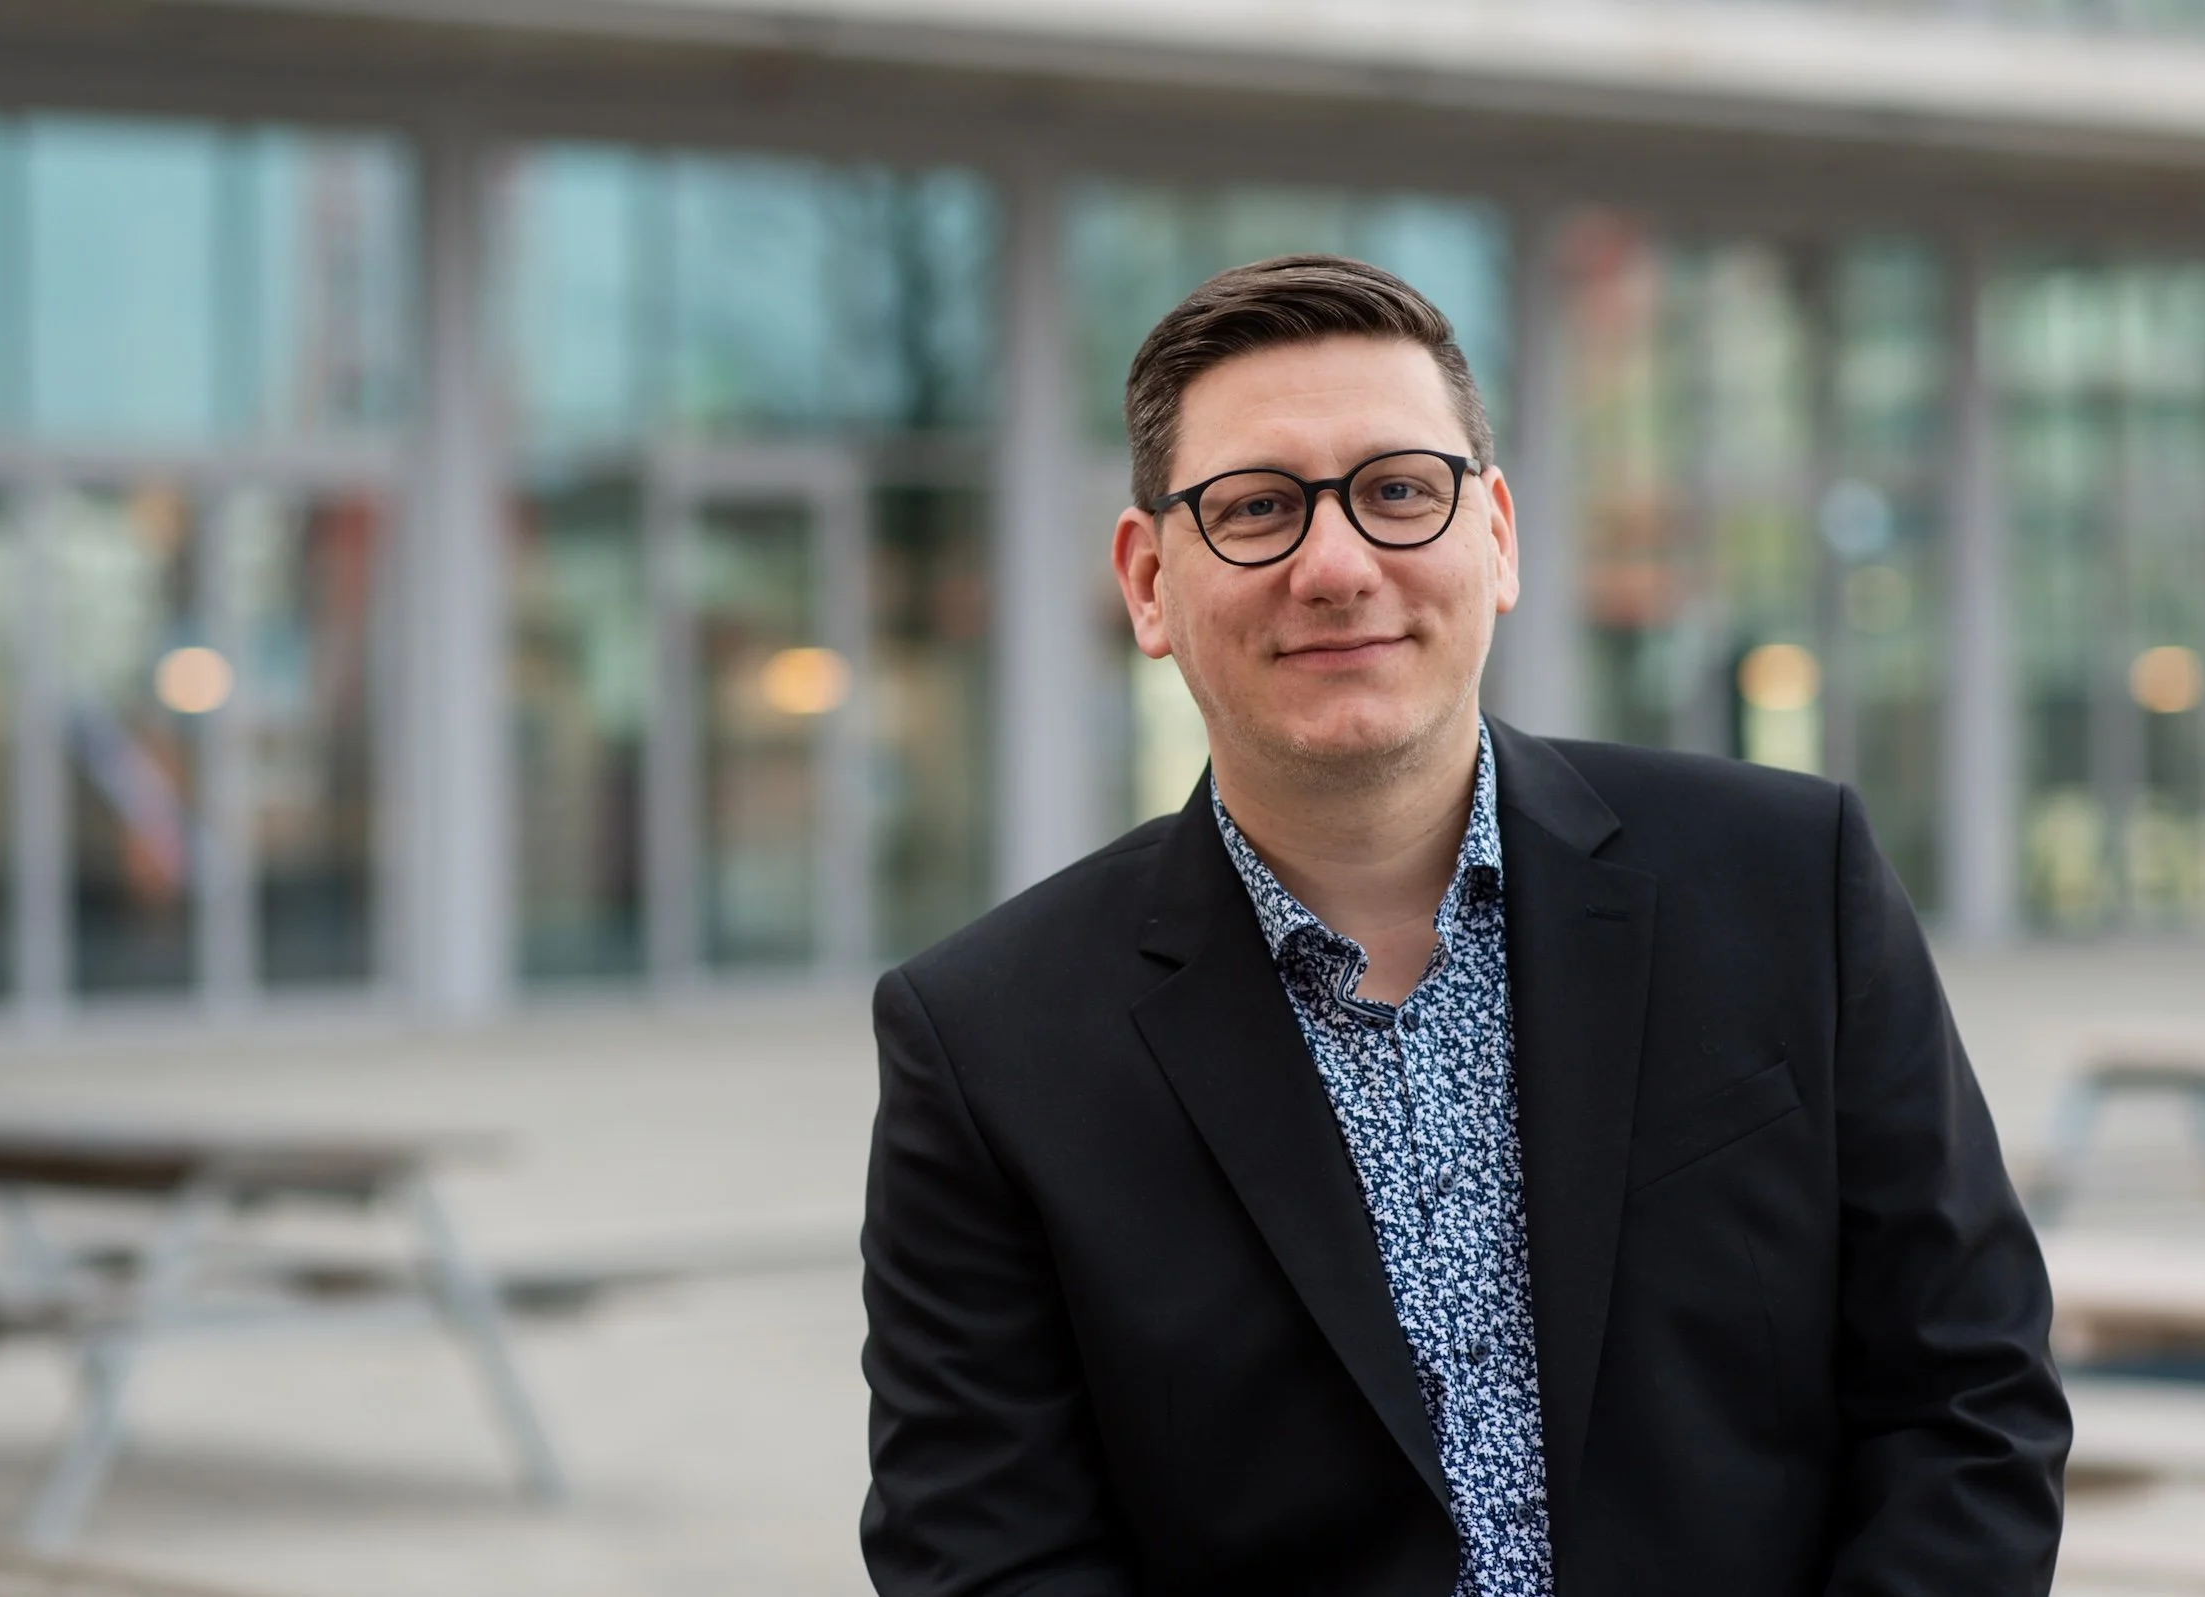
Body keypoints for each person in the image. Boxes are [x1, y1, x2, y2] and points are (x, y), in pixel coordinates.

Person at [859, 254, 2069, 1597]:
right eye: (1256, 507)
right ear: (1148, 583)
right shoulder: (984, 1041)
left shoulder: (1788, 882)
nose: (1335, 565)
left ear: (1492, 535)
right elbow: (984, 1554)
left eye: (1395, 492)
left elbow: (1964, 1403)